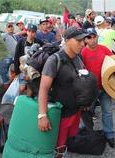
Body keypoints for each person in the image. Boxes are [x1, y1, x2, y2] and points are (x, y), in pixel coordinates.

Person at [38, 27, 88, 157]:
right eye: (79, 40)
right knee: (55, 147)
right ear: (67, 40)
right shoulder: (54, 60)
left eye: (83, 40)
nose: (83, 44)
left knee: (65, 143)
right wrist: (42, 115)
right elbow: (43, 89)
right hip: (60, 115)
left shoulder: (78, 58)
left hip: (75, 112)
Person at [81, 28, 115, 148]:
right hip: (90, 89)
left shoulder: (104, 49)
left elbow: (113, 61)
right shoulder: (82, 53)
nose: (92, 40)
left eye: (94, 37)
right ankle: (89, 133)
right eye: (89, 37)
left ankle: (110, 135)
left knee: (107, 112)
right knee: (87, 112)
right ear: (85, 39)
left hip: (105, 87)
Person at [14, 24, 44, 93]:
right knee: (21, 88)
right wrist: (17, 73)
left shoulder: (39, 42)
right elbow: (16, 57)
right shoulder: (21, 42)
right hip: (23, 70)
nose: (31, 34)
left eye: (33, 32)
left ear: (35, 33)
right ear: (27, 32)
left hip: (34, 70)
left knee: (32, 91)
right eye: (29, 31)